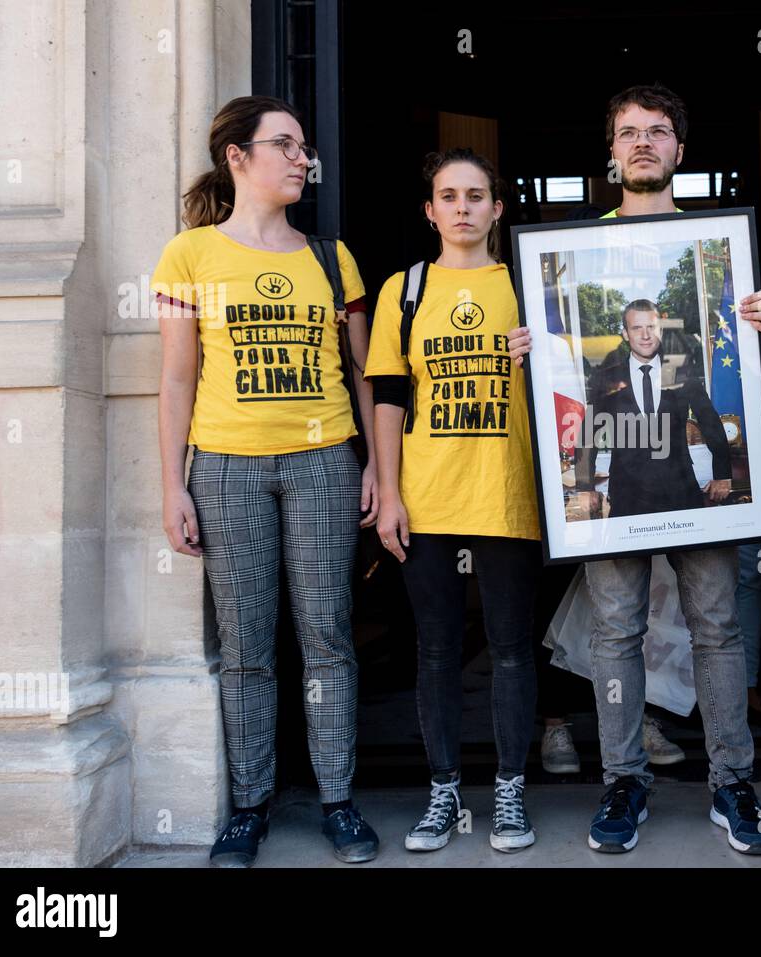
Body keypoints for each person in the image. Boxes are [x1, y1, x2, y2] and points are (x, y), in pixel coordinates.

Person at [508, 84, 761, 855]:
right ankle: (623, 781)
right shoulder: (572, 248)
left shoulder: (718, 250)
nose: (642, 143)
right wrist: (526, 354)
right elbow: (580, 410)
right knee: (615, 633)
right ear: (611, 149)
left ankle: (733, 782)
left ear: (679, 151)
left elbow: (732, 403)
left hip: (696, 497)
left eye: (657, 132)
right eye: (628, 132)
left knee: (719, 629)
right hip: (622, 494)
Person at [153, 95, 380, 867]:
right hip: (224, 465)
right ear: (238, 157)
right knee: (247, 644)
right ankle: (249, 805)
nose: (301, 159)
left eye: (304, 147)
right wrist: (172, 484)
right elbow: (177, 378)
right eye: (283, 144)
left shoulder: (331, 257)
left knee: (326, 636)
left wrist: (377, 464)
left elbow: (362, 372)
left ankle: (338, 799)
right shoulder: (190, 254)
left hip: (323, 460)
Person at [367, 148, 542, 854]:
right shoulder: (403, 291)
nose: (463, 206)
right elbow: (386, 394)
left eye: (476, 195)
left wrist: (542, 355)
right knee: (436, 649)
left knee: (510, 649)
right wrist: (387, 493)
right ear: (431, 210)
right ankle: (443, 791)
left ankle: (509, 790)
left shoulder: (528, 286)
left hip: (509, 492)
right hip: (427, 495)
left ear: (498, 208)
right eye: (449, 195)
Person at [573, 299, 732, 517]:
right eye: (637, 328)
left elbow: (709, 420)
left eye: (651, 327)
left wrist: (723, 474)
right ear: (625, 334)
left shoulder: (680, 372)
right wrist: (585, 486)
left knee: (707, 554)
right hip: (626, 497)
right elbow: (587, 434)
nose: (645, 335)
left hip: (681, 493)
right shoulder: (608, 378)